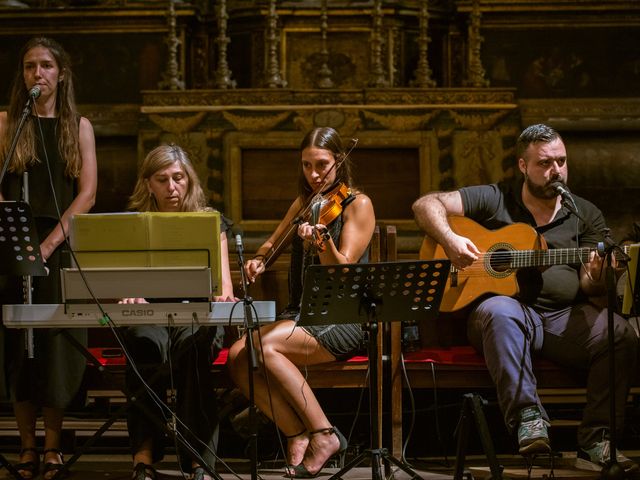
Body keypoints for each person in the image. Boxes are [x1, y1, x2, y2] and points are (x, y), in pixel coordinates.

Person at [412, 123, 638, 472]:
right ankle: (528, 419)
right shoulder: (495, 197)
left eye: (561, 161)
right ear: (523, 166)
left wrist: (597, 276)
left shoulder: (584, 213)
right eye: (545, 163)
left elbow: (590, 286)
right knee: (502, 310)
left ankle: (596, 441)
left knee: (619, 333)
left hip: (563, 317)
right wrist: (450, 240)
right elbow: (426, 204)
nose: (556, 171)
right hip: (502, 317)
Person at [227, 127, 376, 478]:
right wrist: (258, 260)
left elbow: (344, 272)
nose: (313, 174)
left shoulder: (359, 204)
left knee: (264, 348)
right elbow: (272, 242)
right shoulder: (305, 203)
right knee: (236, 358)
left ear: (338, 161)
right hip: (302, 315)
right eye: (307, 166)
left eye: (321, 165)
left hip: (341, 317)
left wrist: (322, 245)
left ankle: (324, 434)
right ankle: (295, 433)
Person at [0, 37, 97, 480]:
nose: (36, 74)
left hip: (56, 245)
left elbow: (88, 194)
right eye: (28, 67)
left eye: (45, 66)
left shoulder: (78, 127)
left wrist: (50, 243)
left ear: (61, 73)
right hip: (15, 240)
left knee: (55, 346)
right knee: (20, 347)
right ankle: (25, 446)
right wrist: (19, 241)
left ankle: (54, 446)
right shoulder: (7, 123)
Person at [121, 144, 235, 480]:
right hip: (152, 314)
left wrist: (221, 295)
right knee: (141, 343)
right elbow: (125, 282)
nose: (172, 187)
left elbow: (224, 287)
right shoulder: (136, 224)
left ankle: (198, 460)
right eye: (162, 179)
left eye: (178, 178)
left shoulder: (212, 222)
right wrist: (130, 295)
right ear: (149, 185)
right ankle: (143, 457)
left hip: (198, 314)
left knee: (194, 346)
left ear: (189, 180)